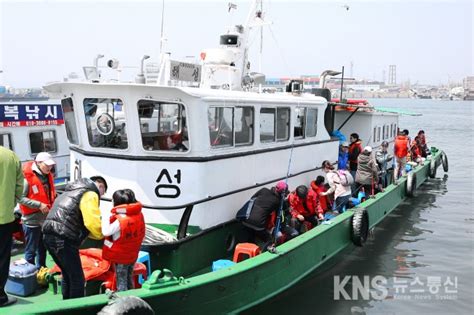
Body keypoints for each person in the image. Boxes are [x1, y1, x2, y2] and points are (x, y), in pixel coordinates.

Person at [42, 176, 107, 300]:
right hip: (63, 238)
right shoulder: (90, 193)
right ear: (100, 187)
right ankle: (77, 309)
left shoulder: (69, 191)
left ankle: (67, 305)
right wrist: (102, 234)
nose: (100, 197)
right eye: (102, 194)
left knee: (67, 275)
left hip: (48, 235)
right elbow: (91, 222)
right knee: (77, 279)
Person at [18, 152, 57, 269]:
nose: (50, 168)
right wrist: (39, 204)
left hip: (44, 219)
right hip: (32, 221)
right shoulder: (27, 178)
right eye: (47, 165)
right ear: (39, 163)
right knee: (31, 250)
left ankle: (41, 271)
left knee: (42, 248)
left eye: (51, 165)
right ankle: (29, 275)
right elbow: (20, 198)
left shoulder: (47, 175)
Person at [102, 189, 145, 291]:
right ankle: (132, 297)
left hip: (121, 257)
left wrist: (104, 218)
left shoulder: (121, 220)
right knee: (129, 277)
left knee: (121, 281)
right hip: (133, 254)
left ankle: (124, 301)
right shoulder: (138, 215)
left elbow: (106, 232)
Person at [0, 147, 24, 307]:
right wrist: (11, 204)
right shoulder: (10, 156)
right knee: (2, 258)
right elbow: (19, 186)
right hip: (4, 217)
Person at [240, 181, 294, 249]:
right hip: (258, 225)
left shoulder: (263, 190)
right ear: (282, 194)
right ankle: (263, 253)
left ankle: (251, 248)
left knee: (251, 235)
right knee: (270, 240)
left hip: (245, 220)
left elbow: (252, 199)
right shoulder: (277, 201)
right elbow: (279, 215)